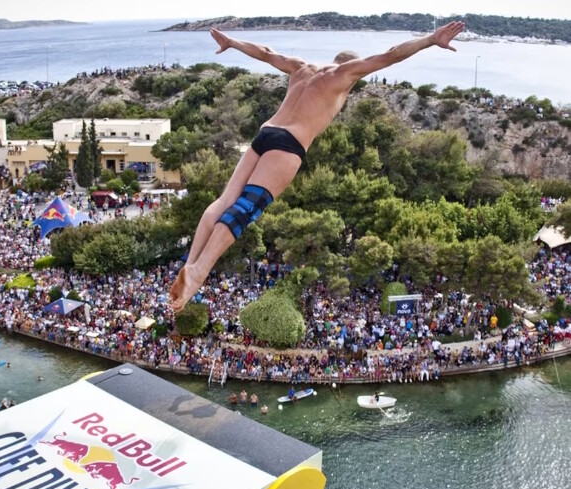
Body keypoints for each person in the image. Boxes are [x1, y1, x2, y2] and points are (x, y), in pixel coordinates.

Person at [169, 22, 465, 312]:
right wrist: (430, 40)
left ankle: (192, 263)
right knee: (247, 207)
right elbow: (390, 54)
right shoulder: (344, 74)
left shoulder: (301, 68)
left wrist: (232, 42)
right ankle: (198, 273)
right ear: (353, 68)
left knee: (224, 201)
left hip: (265, 132)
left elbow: (266, 52)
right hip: (288, 144)